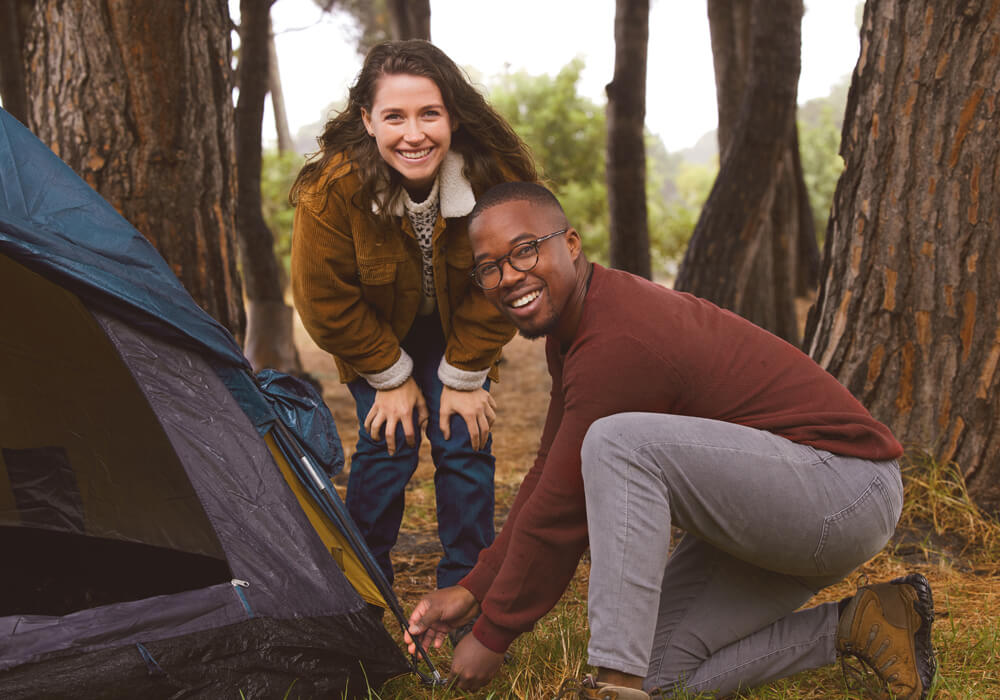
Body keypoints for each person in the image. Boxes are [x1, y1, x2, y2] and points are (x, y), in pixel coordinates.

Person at [404, 182, 937, 699]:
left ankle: (616, 684)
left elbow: (561, 514)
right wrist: (474, 590)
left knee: (618, 444)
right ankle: (857, 626)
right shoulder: (577, 327)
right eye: (490, 268)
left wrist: (494, 633)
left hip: (841, 489)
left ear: (569, 243)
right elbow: (551, 474)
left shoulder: (618, 339)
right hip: (772, 516)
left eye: (524, 251)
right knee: (663, 670)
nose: (508, 277)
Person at [289, 41, 537, 595]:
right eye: (394, 116)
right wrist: (390, 377)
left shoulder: (494, 175)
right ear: (367, 121)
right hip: (375, 331)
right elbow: (325, 304)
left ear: (452, 113)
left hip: (461, 326)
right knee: (388, 439)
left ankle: (465, 593)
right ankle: (361, 593)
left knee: (463, 437)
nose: (414, 133)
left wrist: (467, 375)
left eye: (430, 113)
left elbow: (511, 277)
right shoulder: (332, 191)